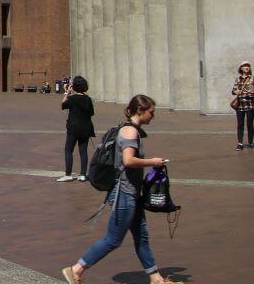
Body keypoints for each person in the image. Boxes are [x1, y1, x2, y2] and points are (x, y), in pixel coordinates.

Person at [62, 94, 173, 284]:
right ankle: (76, 269)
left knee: (142, 236)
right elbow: (128, 161)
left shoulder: (125, 128)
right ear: (140, 111)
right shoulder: (130, 132)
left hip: (131, 193)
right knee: (113, 239)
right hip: (124, 194)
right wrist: (153, 162)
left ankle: (156, 279)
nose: (152, 116)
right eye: (151, 112)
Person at [57, 75, 96, 182]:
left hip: (73, 128)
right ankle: (83, 174)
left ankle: (68, 174)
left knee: (68, 150)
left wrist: (68, 93)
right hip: (86, 128)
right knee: (83, 151)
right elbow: (92, 113)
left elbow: (63, 105)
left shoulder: (73, 99)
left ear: (73, 87)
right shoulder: (88, 99)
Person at [231, 61, 254, 150]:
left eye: (248, 66)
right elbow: (233, 91)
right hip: (240, 105)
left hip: (250, 105)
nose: (247, 67)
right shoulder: (238, 79)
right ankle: (240, 143)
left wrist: (253, 92)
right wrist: (236, 91)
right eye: (244, 66)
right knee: (240, 124)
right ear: (241, 68)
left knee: (249, 124)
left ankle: (250, 142)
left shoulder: (253, 78)